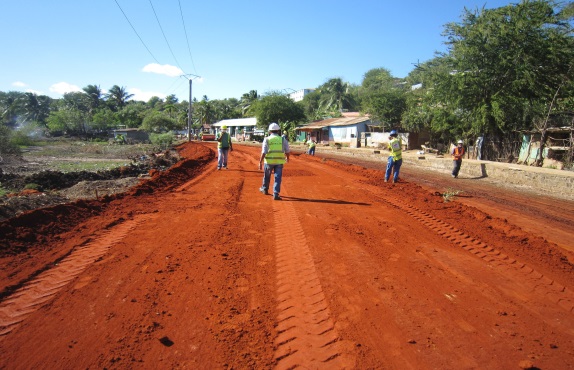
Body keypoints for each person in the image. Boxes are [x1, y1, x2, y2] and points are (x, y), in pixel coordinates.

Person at [259, 122, 290, 200]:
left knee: (267, 176)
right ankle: (276, 193)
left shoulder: (267, 139)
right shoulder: (283, 139)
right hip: (279, 161)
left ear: (269, 131)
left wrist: (260, 162)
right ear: (278, 131)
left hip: (269, 162)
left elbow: (264, 152)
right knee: (278, 178)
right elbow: (287, 151)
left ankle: (265, 189)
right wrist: (288, 158)